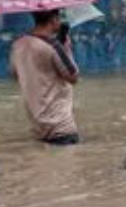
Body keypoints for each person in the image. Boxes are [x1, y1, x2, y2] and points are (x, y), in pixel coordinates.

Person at [9, 9, 81, 145]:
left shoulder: (17, 45)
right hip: (62, 128)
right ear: (54, 20)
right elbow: (73, 76)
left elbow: (14, 74)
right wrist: (66, 48)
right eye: (59, 18)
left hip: (38, 129)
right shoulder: (53, 46)